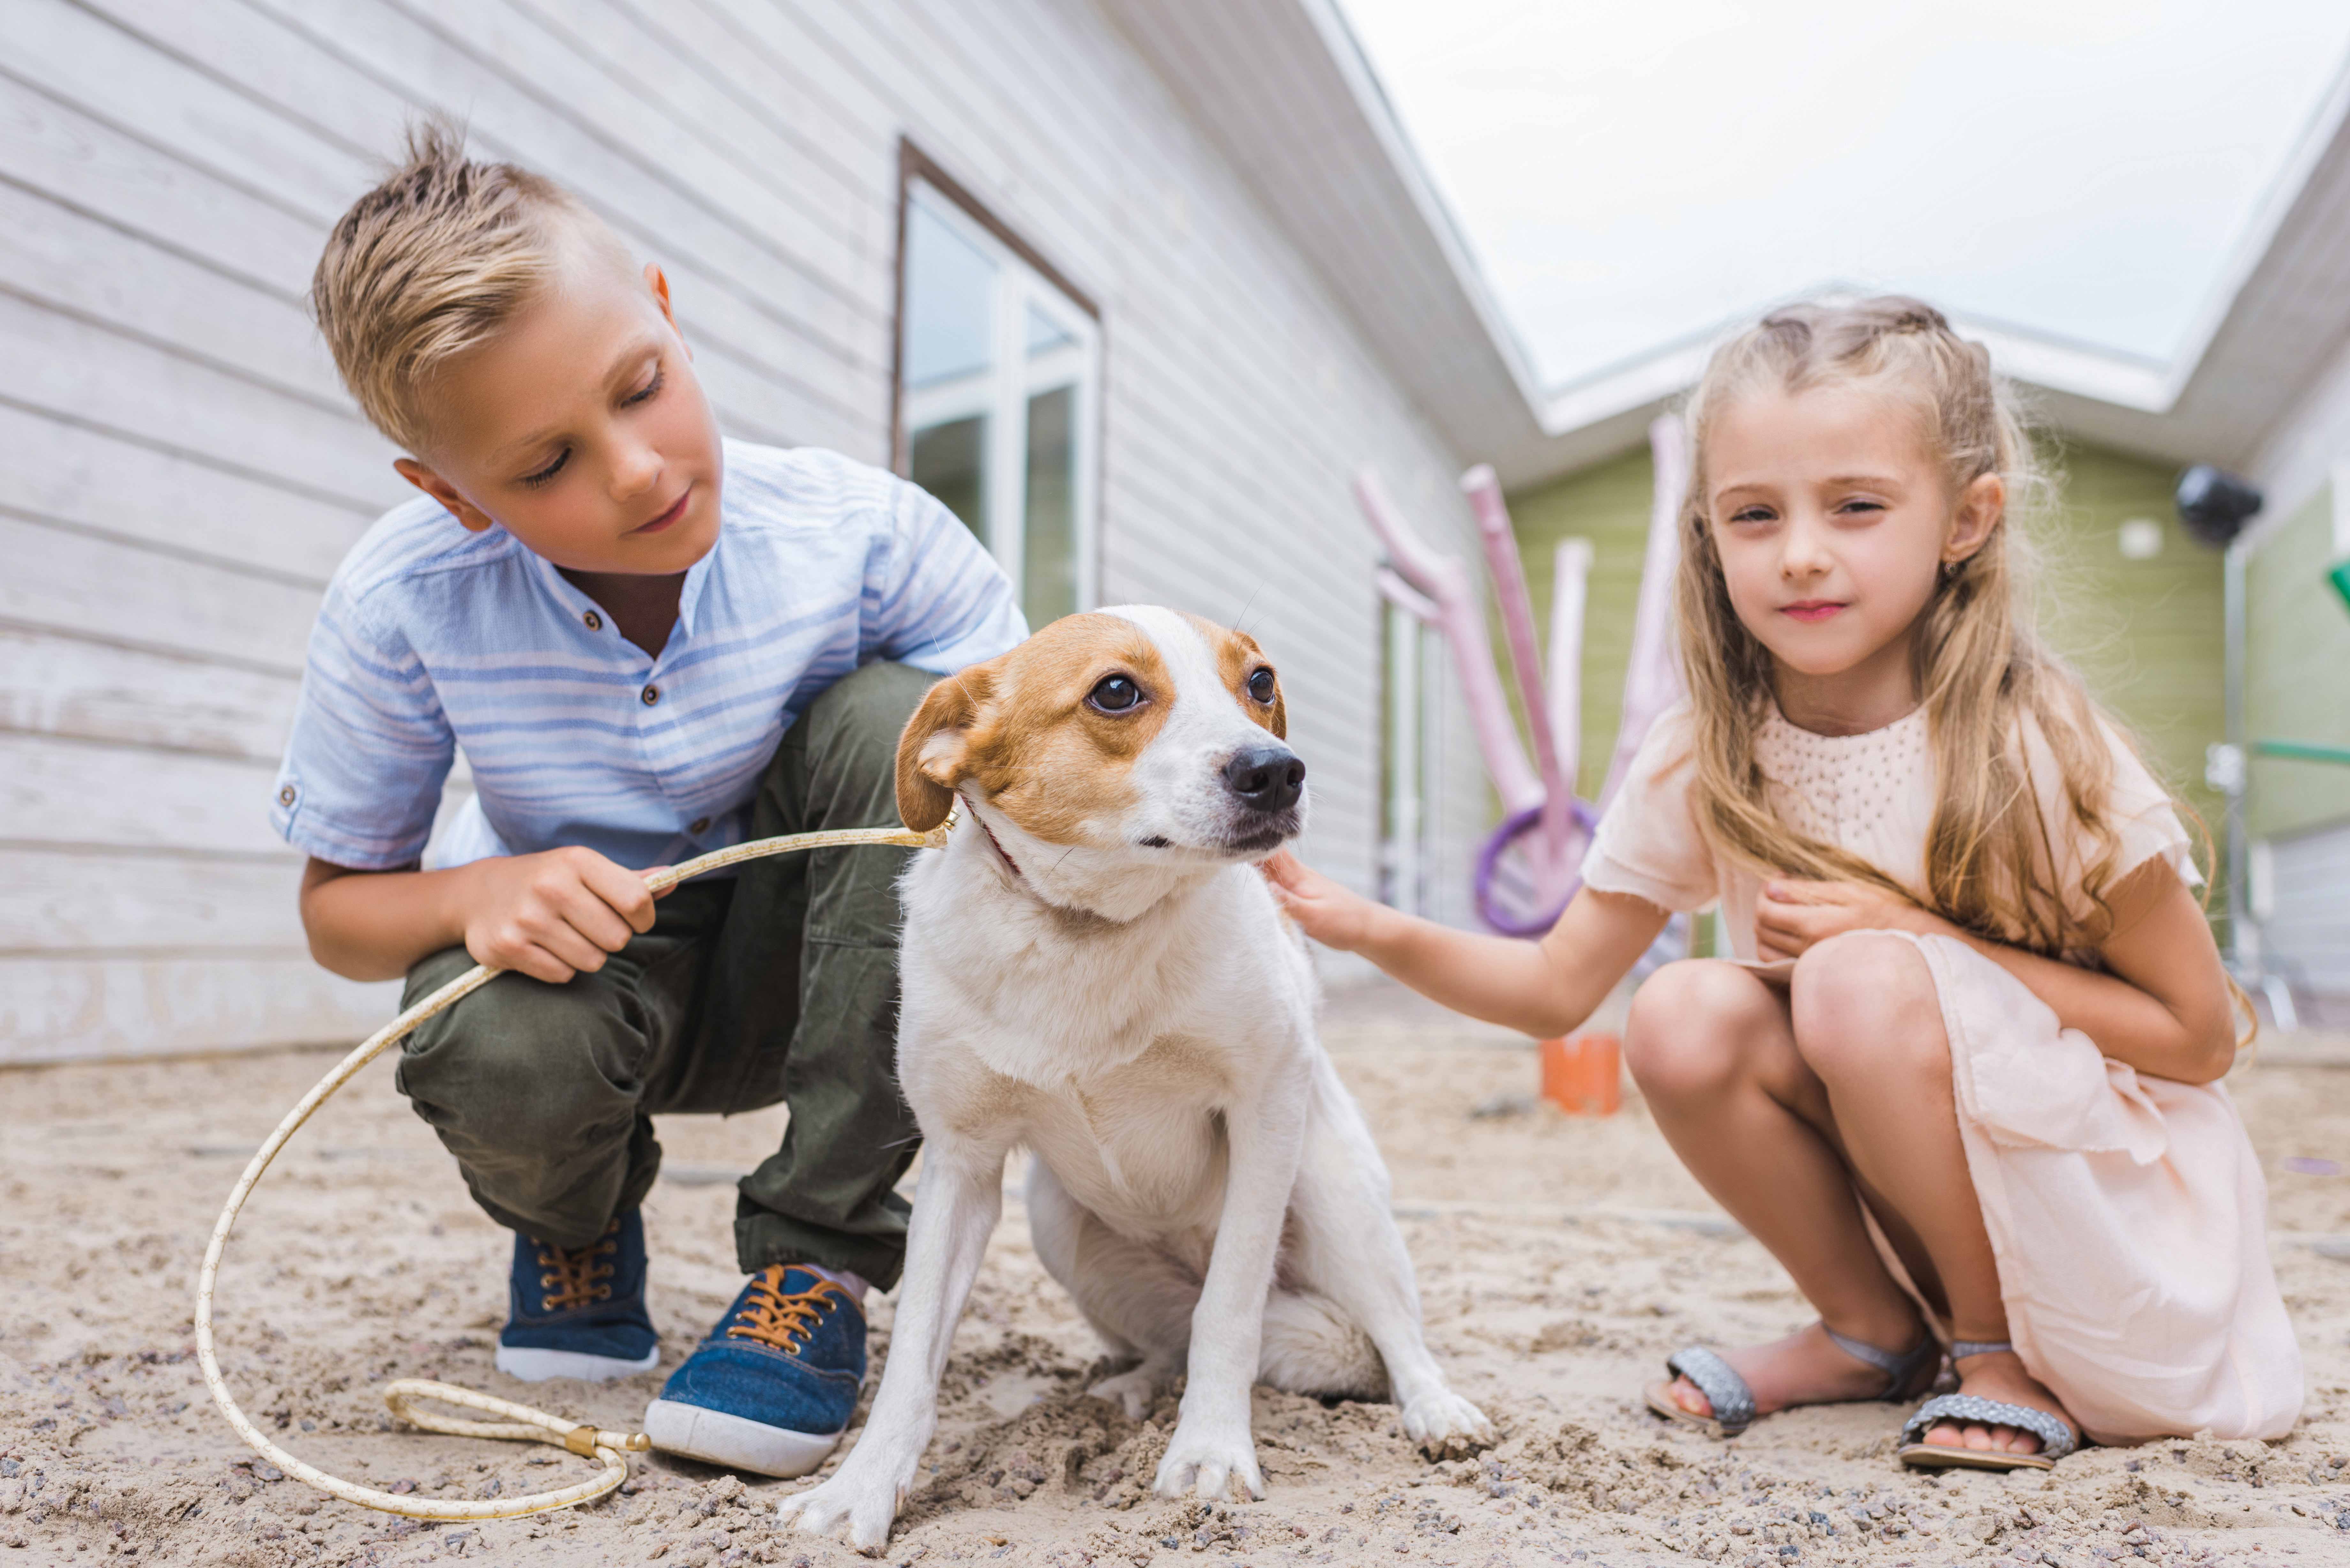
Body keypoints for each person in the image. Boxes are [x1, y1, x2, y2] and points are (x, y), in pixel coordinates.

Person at [1266, 297, 2301, 1469]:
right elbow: (1562, 990)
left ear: (1965, 521)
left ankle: (1993, 1350)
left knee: (1859, 978)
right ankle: (1870, 1334)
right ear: (1710, 536)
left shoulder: (2035, 748)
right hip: (1923, 1198)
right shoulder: (1708, 747)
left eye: (1857, 506)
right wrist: (1357, 925)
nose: (1801, 551)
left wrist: (1921, 943)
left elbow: (2199, 1040)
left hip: (2104, 1220)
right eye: (1755, 514)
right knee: (1684, 1012)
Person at [276, 123, 1025, 1478]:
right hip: (592, 984)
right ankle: (572, 1221)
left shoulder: (869, 538)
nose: (636, 470)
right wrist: (474, 892)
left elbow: (1024, 788)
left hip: (832, 971)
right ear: (448, 494)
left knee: (899, 719)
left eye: (642, 386)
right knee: (491, 1043)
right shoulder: (399, 603)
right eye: (543, 466)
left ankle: (817, 1267)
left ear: (668, 313)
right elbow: (338, 914)